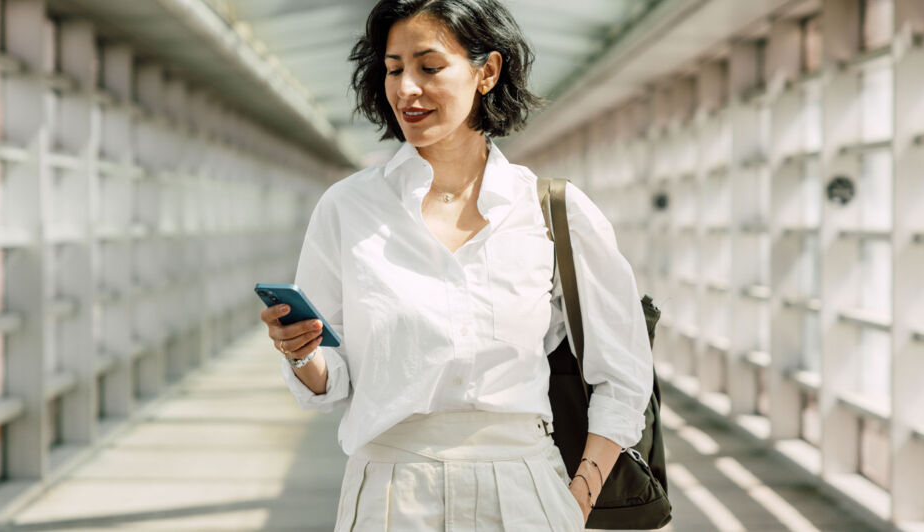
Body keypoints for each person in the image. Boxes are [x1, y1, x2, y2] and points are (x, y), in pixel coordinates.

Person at [259, 0, 654, 529]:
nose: (405, 89)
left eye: (429, 66)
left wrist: (576, 495)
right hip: (391, 494)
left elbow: (624, 371)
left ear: (486, 72)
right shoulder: (347, 208)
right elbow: (331, 382)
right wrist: (300, 353)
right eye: (394, 69)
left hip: (525, 489)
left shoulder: (553, 211)